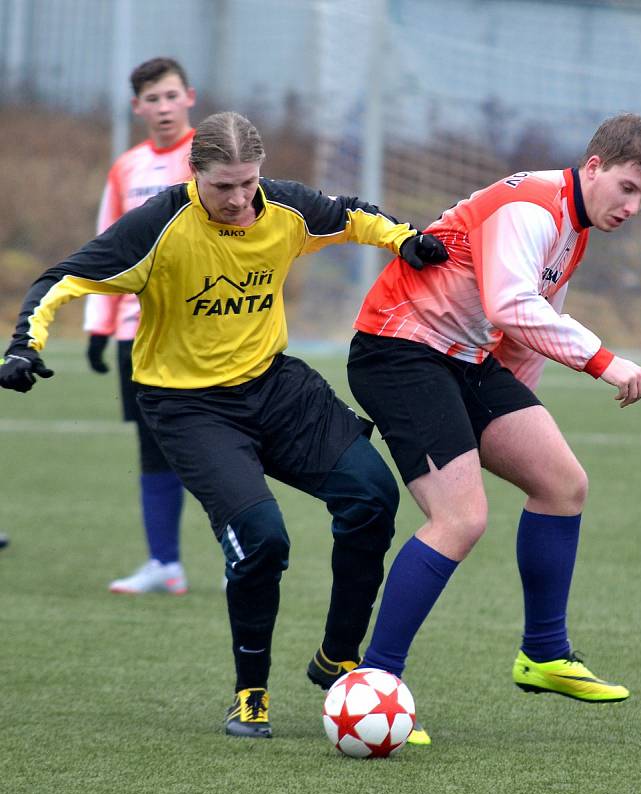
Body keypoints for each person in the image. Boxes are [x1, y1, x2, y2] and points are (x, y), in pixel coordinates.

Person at [0, 110, 448, 739]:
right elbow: (61, 279)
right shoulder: (158, 226)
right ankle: (250, 693)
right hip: (186, 407)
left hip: (274, 386)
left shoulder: (283, 208)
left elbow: (352, 215)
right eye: (223, 187)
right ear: (195, 174)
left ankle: (339, 658)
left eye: (248, 183)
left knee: (372, 496)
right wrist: (26, 344)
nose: (239, 200)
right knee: (264, 539)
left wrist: (406, 239)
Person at [346, 113, 641, 741]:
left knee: (561, 483)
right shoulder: (533, 207)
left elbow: (525, 334)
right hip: (399, 348)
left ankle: (545, 655)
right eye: (628, 188)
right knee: (461, 519)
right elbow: (511, 305)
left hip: (465, 359)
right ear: (594, 167)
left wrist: (511, 421)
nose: (633, 207)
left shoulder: (573, 230)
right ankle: (376, 683)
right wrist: (605, 361)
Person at [83, 57, 196, 595]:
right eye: (153, 99)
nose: (164, 107)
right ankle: (164, 564)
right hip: (138, 334)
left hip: (200, 328)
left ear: (189, 97)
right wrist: (98, 326)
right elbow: (107, 249)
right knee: (152, 447)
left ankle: (244, 555)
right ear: (138, 108)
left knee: (218, 443)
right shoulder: (125, 168)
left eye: (171, 95)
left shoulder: (210, 157)